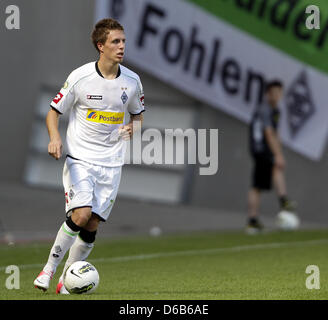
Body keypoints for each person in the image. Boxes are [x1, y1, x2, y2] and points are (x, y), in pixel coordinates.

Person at [33, 18, 145, 293]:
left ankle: (66, 280)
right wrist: (55, 138)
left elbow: (139, 115)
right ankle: (48, 270)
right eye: (115, 42)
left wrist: (135, 128)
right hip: (80, 159)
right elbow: (53, 112)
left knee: (93, 221)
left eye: (123, 41)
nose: (121, 47)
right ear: (100, 46)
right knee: (81, 214)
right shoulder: (80, 77)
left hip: (112, 163)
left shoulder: (131, 82)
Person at [246, 80, 295, 234]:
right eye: (273, 92)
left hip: (266, 149)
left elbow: (276, 134)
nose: (276, 96)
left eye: (279, 92)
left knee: (259, 184)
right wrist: (278, 155)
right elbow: (268, 133)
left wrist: (279, 152)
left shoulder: (276, 111)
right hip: (260, 148)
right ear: (267, 94)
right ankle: (283, 200)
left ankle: (253, 221)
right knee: (260, 182)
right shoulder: (265, 110)